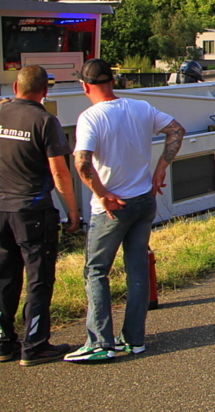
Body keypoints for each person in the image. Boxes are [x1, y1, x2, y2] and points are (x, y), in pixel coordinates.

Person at [64, 59, 185, 363]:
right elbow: (176, 130)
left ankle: (100, 343)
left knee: (96, 271)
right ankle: (134, 339)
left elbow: (82, 162)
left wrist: (102, 195)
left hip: (112, 208)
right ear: (113, 82)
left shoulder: (90, 117)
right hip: (144, 199)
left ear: (84, 86)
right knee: (137, 269)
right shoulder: (141, 107)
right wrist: (160, 169)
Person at [0, 65, 80, 366]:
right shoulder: (45, 121)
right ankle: (35, 345)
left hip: (1, 209)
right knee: (39, 278)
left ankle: (4, 343)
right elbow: (59, 171)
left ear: (15, 88)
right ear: (45, 91)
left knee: (5, 276)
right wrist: (72, 210)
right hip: (32, 211)